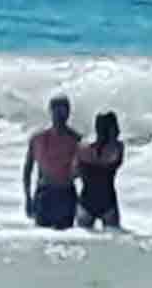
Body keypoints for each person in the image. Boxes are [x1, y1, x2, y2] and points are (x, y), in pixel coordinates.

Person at [22, 94, 81, 230]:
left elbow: (83, 172)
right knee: (43, 240)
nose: (61, 115)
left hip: (66, 194)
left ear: (69, 113)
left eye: (64, 111)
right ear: (51, 111)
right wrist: (28, 198)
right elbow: (27, 170)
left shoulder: (76, 140)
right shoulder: (38, 139)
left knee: (67, 242)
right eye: (57, 111)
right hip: (45, 194)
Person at [76, 111, 124, 230]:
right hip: (107, 201)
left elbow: (75, 173)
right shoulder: (118, 148)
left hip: (87, 200)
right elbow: (113, 160)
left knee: (83, 243)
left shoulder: (83, 149)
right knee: (113, 243)